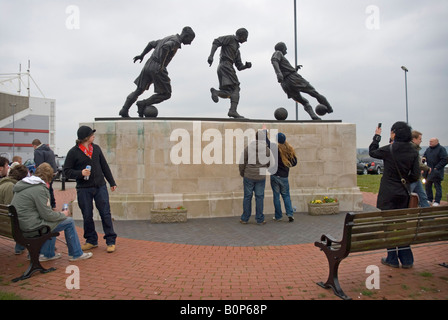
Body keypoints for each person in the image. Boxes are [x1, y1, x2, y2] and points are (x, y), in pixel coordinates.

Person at [11, 163, 92, 261]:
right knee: (68, 221)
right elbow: (47, 216)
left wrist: (54, 214)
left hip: (20, 225)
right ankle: (76, 254)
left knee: (54, 221)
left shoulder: (24, 185)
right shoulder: (39, 188)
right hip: (30, 227)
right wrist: (63, 214)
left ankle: (47, 254)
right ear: (49, 177)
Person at [369, 121, 420, 268]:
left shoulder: (389, 149)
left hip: (388, 193)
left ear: (394, 133)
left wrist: (377, 136)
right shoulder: (413, 151)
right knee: (401, 226)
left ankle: (392, 258)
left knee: (388, 226)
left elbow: (373, 151)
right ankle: (407, 260)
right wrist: (403, 181)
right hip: (403, 193)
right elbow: (416, 175)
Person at [119, 26, 196, 118]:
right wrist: (162, 64)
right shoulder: (175, 41)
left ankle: (124, 109)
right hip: (157, 66)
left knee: (139, 89)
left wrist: (142, 55)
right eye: (190, 40)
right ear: (186, 36)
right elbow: (166, 47)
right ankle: (143, 103)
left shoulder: (168, 37)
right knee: (166, 94)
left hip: (148, 64)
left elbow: (151, 44)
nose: (190, 43)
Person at [63, 126, 118, 253]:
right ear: (86, 137)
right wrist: (80, 173)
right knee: (87, 215)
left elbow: (104, 166)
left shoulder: (96, 149)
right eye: (92, 134)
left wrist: (111, 182)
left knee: (105, 213)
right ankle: (91, 240)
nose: (94, 136)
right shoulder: (73, 152)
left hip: (100, 186)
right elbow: (66, 172)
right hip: (84, 189)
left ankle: (110, 240)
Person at [271, 42, 333, 120]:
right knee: (314, 92)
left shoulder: (281, 56)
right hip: (293, 78)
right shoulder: (278, 53)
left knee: (304, 102)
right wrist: (278, 73)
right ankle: (329, 108)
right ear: (282, 48)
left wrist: (294, 69)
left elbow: (283, 67)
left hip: (285, 83)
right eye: (285, 48)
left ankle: (313, 116)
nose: (286, 50)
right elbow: (274, 60)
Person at [208, 28, 252, 119]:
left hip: (227, 67)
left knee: (230, 92)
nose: (246, 40)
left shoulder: (237, 50)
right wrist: (211, 56)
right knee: (236, 88)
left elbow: (239, 66)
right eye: (245, 37)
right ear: (241, 35)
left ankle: (216, 92)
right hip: (225, 66)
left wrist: (246, 66)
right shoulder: (230, 39)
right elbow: (216, 41)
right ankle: (232, 111)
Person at [238, 130, 271, 224]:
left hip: (248, 175)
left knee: (247, 197)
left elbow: (242, 162)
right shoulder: (267, 150)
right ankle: (260, 219)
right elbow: (270, 163)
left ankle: (244, 218)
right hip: (260, 176)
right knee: (259, 197)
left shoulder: (248, 148)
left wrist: (242, 173)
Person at [269, 133, 297, 222]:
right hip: (284, 176)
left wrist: (264, 133)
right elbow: (294, 162)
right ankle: (290, 214)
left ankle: (278, 216)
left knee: (276, 197)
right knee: (286, 196)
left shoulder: (274, 149)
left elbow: (267, 142)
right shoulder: (289, 150)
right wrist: (287, 165)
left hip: (274, 176)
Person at [0, 164, 29, 254]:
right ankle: (21, 248)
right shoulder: (11, 187)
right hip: (6, 224)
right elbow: (11, 208)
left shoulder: (4, 183)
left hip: (2, 220)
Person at [32, 139, 58, 209]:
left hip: (44, 173)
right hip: (53, 172)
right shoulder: (49, 150)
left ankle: (47, 205)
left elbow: (39, 164)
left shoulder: (38, 151)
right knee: (50, 188)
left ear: (35, 145)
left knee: (44, 189)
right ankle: (53, 204)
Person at [423, 137, 448, 206]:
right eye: (429, 141)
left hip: (437, 172)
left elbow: (445, 159)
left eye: (431, 141)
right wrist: (423, 160)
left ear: (436, 142)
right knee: (428, 186)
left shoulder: (441, 149)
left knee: (437, 186)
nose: (430, 143)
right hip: (428, 171)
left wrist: (437, 167)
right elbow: (424, 156)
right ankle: (429, 199)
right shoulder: (428, 149)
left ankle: (437, 201)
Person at [410, 131, 430, 207]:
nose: (421, 140)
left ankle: (427, 216)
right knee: (406, 196)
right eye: (419, 139)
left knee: (423, 196)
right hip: (412, 177)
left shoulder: (415, 148)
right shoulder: (412, 149)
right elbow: (417, 163)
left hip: (416, 177)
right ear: (414, 139)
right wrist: (427, 168)